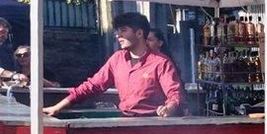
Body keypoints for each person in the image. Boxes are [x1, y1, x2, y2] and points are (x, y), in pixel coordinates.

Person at [44, 11, 181, 117]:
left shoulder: (161, 62)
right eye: (117, 31)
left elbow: (174, 93)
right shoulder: (117, 59)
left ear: (139, 33)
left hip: (152, 126)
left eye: (123, 30)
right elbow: (92, 86)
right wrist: (58, 107)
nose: (118, 35)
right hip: (124, 121)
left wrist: (170, 107)